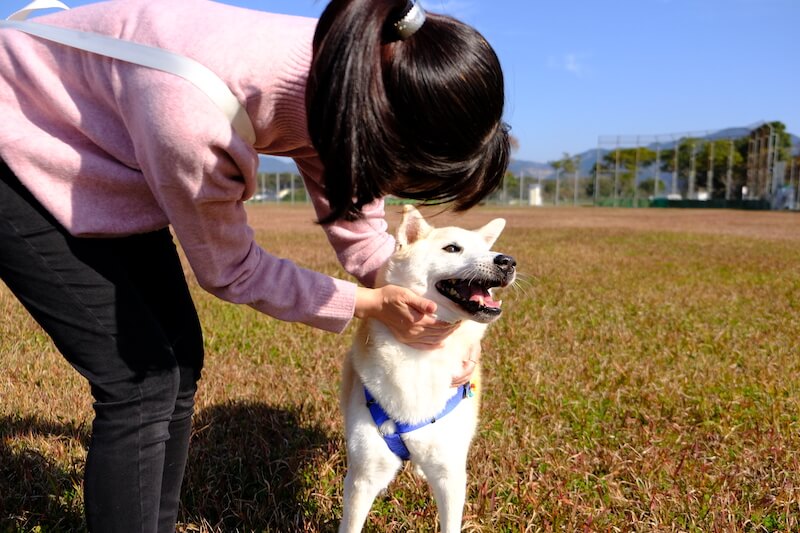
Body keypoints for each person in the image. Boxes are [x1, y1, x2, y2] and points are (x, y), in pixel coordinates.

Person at [0, 0, 510, 530]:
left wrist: (443, 330)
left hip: (105, 150)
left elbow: (363, 237)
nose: (386, 187)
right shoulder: (194, 114)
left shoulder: (350, 74)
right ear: (381, 131)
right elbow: (231, 269)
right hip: (15, 141)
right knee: (141, 379)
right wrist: (369, 304)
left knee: (179, 358)